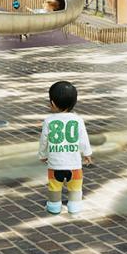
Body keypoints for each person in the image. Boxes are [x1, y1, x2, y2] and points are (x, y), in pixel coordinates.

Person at [38, 79, 93, 216]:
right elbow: (83, 139)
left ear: (52, 103)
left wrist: (42, 155)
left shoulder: (48, 121)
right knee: (75, 187)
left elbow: (44, 140)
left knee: (54, 187)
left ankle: (54, 207)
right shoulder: (77, 120)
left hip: (55, 164)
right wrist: (87, 153)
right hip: (74, 164)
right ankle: (74, 206)